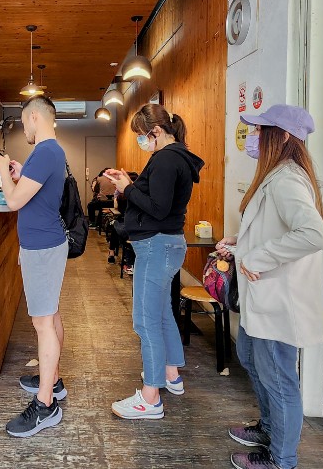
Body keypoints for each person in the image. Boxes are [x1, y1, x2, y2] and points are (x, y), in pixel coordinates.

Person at [216, 104, 323, 469]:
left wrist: (256, 257)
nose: (253, 138)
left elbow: (313, 234)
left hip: (280, 298)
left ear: (281, 137)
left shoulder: (286, 179)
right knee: (250, 355)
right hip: (264, 296)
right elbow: (275, 228)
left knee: (279, 378)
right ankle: (268, 428)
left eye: (260, 131)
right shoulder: (276, 175)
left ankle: (282, 459)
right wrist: (241, 243)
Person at [106, 104, 204, 420]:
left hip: (156, 245)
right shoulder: (177, 157)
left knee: (145, 320)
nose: (140, 141)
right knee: (162, 313)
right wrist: (129, 184)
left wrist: (127, 188)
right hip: (167, 244)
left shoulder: (165, 159)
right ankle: (172, 374)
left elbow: (157, 208)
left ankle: (150, 397)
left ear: (156, 132)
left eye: (141, 135)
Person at [0, 95, 69, 438]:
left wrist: (1, 170)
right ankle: (53, 379)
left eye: (24, 123)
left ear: (35, 116)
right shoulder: (49, 152)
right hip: (44, 244)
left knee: (42, 323)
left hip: (43, 246)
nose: (25, 129)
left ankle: (45, 404)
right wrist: (20, 173)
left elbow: (13, 200)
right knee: (49, 316)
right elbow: (34, 190)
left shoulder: (47, 151)